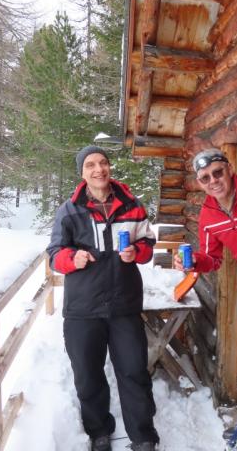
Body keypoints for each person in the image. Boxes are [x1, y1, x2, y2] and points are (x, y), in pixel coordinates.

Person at [47, 145, 159, 451]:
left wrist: (137, 252)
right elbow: (54, 255)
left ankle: (143, 436)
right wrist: (72, 258)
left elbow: (148, 242)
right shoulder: (70, 211)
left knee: (134, 372)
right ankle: (99, 432)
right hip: (83, 310)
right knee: (88, 376)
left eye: (103, 163)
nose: (99, 169)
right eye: (91, 165)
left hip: (124, 305)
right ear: (82, 173)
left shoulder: (132, 205)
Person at [173, 148, 237, 442]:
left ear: (230, 169)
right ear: (199, 183)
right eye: (205, 178)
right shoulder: (208, 215)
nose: (213, 181)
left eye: (217, 173)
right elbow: (212, 259)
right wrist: (193, 262)